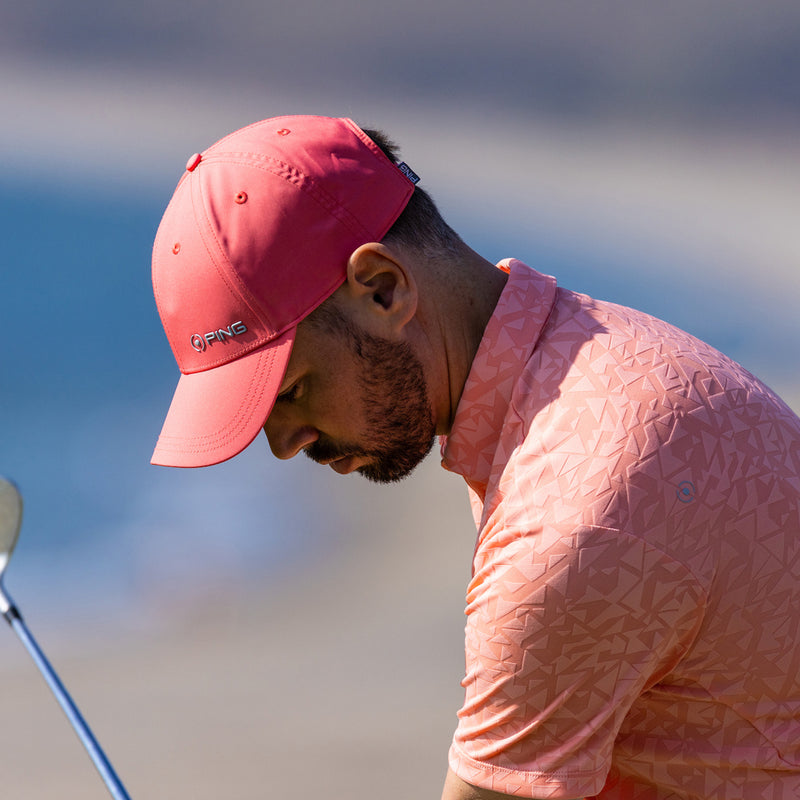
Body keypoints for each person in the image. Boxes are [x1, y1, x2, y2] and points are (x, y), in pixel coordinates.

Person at [150, 115, 800, 799]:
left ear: (382, 289)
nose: (285, 444)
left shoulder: (570, 519)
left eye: (291, 392)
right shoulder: (616, 362)